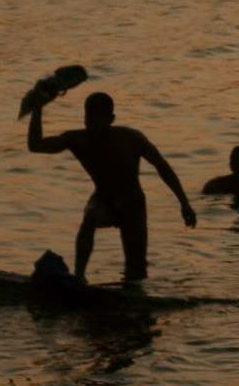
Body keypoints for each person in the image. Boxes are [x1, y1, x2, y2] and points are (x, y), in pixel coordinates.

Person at [28, 91, 196, 282]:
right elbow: (36, 145)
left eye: (99, 117)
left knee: (136, 269)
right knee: (90, 217)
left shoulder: (131, 138)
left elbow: (161, 165)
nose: (93, 122)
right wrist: (37, 109)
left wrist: (184, 203)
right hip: (103, 200)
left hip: (133, 205)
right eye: (89, 117)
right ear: (84, 117)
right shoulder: (76, 139)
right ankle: (79, 277)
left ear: (111, 119)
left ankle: (132, 291)